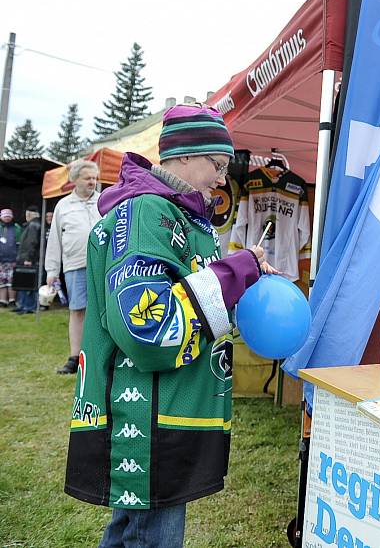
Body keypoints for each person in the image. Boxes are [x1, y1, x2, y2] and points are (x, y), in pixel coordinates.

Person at [63, 104, 277, 548]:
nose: (222, 178)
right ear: (182, 155)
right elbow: (149, 325)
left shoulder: (185, 218)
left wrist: (242, 287)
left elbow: (199, 301)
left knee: (131, 530)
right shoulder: (146, 213)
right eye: (217, 165)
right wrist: (233, 273)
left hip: (166, 409)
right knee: (152, 536)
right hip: (145, 417)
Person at [45, 160, 102, 374]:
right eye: (87, 178)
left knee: (101, 312)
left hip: (101, 265)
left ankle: (99, 356)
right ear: (75, 180)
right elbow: (55, 241)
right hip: (74, 265)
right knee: (77, 311)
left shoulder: (104, 202)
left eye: (94, 178)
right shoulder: (63, 206)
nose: (92, 182)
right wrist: (52, 270)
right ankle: (74, 357)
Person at [13, 205, 42, 314]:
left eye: (27, 214)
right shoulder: (31, 225)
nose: (26, 216)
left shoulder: (33, 225)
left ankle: (28, 306)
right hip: (25, 257)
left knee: (28, 283)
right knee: (24, 282)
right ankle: (22, 305)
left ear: (30, 214)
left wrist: (29, 258)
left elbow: (32, 243)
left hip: (29, 259)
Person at [0, 208, 22, 308]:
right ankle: (3, 300)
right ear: (1, 217)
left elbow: (20, 245)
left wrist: (17, 258)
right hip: (1, 261)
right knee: (2, 281)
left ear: (12, 217)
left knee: (12, 281)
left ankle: (12, 300)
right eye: (5, 216)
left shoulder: (17, 228)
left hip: (13, 260)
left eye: (8, 216)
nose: (7, 218)